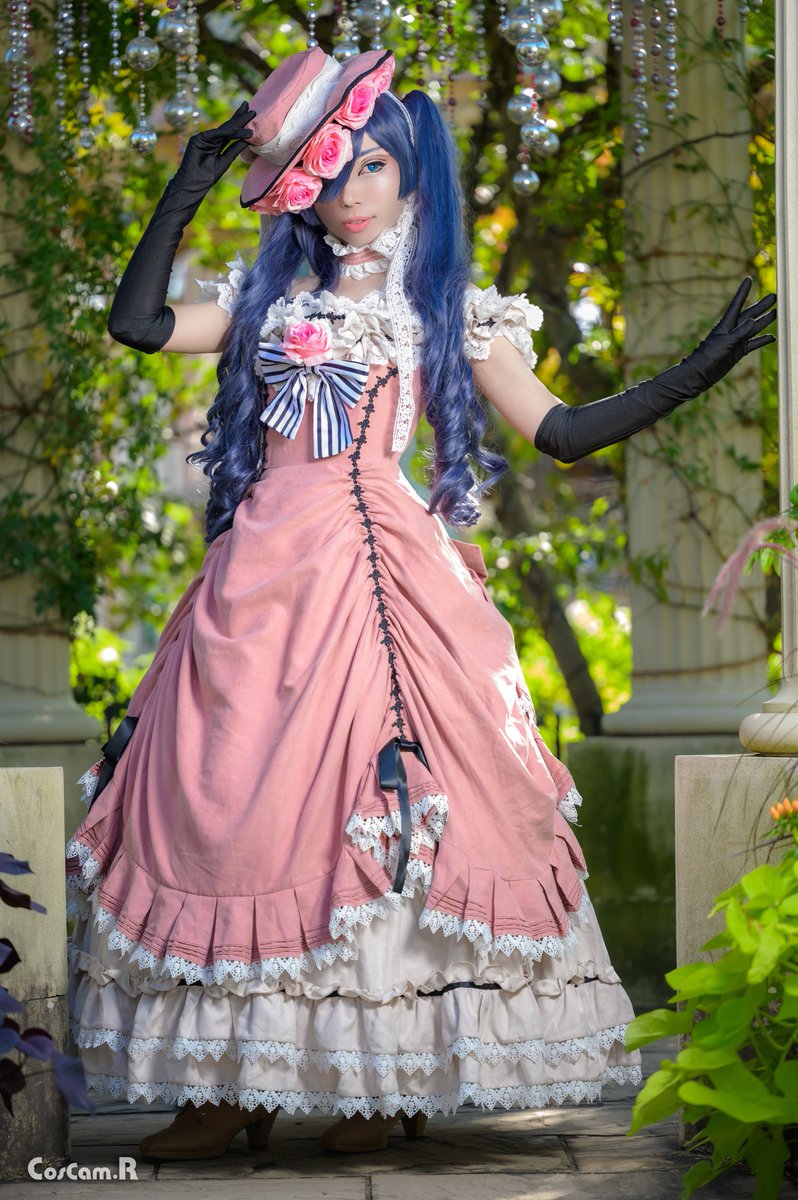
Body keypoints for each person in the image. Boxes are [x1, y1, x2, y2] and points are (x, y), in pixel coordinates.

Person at [65, 46, 776, 1159]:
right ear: (303, 184)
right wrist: (186, 188)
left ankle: (378, 1082)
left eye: (376, 166)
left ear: (409, 176)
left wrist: (696, 370)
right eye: (334, 167)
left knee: (385, 813)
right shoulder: (265, 301)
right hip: (257, 582)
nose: (354, 189)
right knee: (236, 809)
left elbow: (562, 431)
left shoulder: (445, 309)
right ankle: (227, 1086)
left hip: (381, 577)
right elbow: (139, 326)